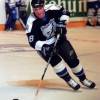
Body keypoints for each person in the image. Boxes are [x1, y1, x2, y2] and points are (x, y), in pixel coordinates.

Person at [26, 0, 96, 90]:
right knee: (57, 64)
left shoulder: (51, 8)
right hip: (45, 46)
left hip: (59, 39)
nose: (39, 11)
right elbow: (32, 41)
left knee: (72, 60)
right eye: (36, 9)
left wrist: (62, 23)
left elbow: (65, 11)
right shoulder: (30, 21)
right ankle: (69, 80)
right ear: (33, 9)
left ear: (43, 6)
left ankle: (83, 79)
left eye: (40, 8)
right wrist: (43, 47)